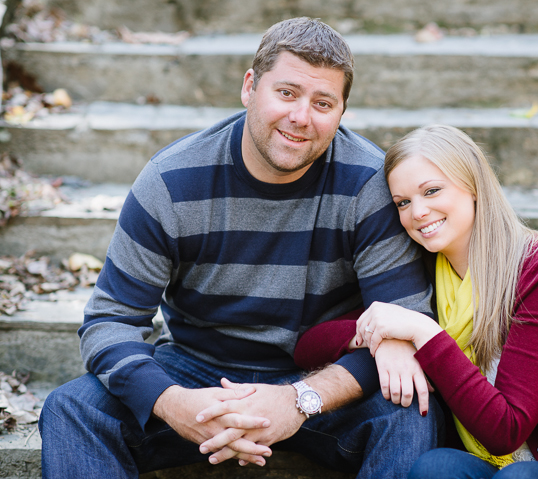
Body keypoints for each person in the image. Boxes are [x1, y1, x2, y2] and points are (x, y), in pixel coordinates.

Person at [38, 18, 443, 479]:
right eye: (286, 93)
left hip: (320, 380)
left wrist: (301, 399)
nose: (301, 117)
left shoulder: (370, 185)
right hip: (194, 370)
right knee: (72, 408)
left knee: (413, 414)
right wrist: (173, 402)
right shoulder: (171, 181)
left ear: (342, 112)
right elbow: (110, 321)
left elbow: (407, 324)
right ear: (250, 87)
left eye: (323, 103)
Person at [294, 125, 538, 478]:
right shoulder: (425, 276)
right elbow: (308, 347)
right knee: (435, 467)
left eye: (432, 191)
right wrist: (381, 335)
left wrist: (422, 331)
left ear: (473, 187)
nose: (417, 212)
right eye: (402, 202)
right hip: (494, 467)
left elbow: (506, 430)